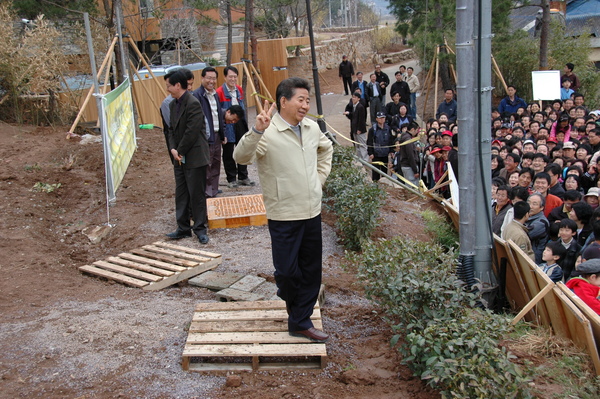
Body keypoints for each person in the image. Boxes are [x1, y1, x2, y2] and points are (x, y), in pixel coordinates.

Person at [233, 77, 333, 342]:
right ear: (283, 101)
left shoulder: (311, 128)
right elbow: (240, 158)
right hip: (284, 214)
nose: (305, 105)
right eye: (300, 100)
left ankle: (299, 321)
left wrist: (318, 180)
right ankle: (294, 302)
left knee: (311, 270)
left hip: (311, 210)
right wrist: (256, 131)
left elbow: (327, 149)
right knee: (287, 272)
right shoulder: (267, 132)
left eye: (307, 100)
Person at [164, 69, 210, 244]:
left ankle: (200, 228)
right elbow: (171, 130)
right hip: (179, 157)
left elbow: (192, 131)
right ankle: (183, 228)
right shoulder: (171, 105)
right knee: (181, 192)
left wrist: (180, 150)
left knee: (196, 193)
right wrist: (173, 149)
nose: (167, 88)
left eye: (169, 85)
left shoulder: (193, 103)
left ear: (177, 85)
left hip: (195, 156)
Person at [216, 66, 255, 188]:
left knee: (243, 148)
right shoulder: (219, 92)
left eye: (235, 77)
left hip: (239, 122)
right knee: (228, 151)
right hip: (227, 122)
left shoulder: (238, 90)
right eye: (230, 76)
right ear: (225, 77)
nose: (233, 79)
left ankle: (243, 176)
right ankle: (231, 178)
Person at [193, 66, 225, 198]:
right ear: (202, 78)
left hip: (217, 135)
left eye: (214, 78)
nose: (211, 81)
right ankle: (207, 193)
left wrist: (223, 135)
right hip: (206, 137)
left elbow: (218, 115)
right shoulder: (197, 95)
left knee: (216, 165)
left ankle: (214, 190)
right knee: (207, 166)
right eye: (209, 78)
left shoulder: (215, 94)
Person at [160, 67, 194, 162]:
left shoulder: (193, 101)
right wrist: (176, 149)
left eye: (191, 84)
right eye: (188, 84)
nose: (189, 88)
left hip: (191, 150)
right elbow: (173, 128)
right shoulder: (168, 104)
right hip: (178, 149)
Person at [367, 112, 394, 181]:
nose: (382, 120)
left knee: (384, 172)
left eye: (383, 118)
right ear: (376, 119)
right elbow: (369, 141)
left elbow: (391, 140)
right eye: (380, 118)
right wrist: (370, 153)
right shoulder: (373, 129)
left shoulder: (388, 128)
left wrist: (391, 151)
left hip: (385, 154)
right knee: (376, 173)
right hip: (376, 154)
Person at [526, 193, 550, 264]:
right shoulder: (526, 216)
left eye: (534, 204)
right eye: (528, 203)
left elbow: (525, 235)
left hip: (534, 257)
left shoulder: (542, 222)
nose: (530, 206)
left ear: (541, 207)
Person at [344, 92, 368, 162]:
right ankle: (360, 159)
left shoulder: (360, 107)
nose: (353, 98)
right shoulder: (354, 106)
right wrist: (348, 113)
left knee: (362, 145)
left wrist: (359, 129)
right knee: (357, 145)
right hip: (354, 129)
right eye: (352, 97)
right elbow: (353, 116)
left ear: (358, 99)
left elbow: (361, 119)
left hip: (359, 130)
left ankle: (365, 159)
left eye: (355, 97)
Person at [397, 121, 421, 186]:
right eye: (416, 130)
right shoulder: (408, 140)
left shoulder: (404, 137)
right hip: (409, 166)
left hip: (405, 165)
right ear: (412, 129)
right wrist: (415, 171)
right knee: (412, 186)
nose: (417, 132)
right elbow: (410, 155)